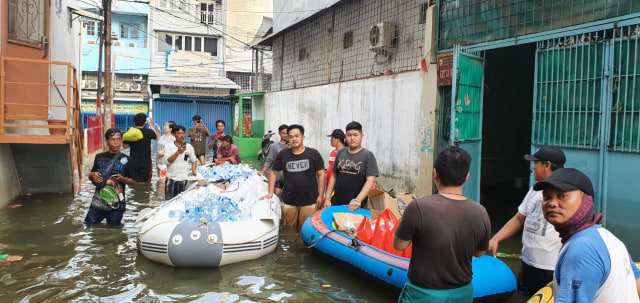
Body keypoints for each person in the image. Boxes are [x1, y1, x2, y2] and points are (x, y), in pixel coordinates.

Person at [393, 147, 491, 303]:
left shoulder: (418, 207)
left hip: (424, 296)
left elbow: (399, 245)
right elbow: (479, 253)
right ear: (467, 177)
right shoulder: (481, 213)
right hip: (462, 295)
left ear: (435, 174)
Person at [533, 168, 640, 302]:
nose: (552, 203)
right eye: (547, 197)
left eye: (562, 196)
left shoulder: (581, 249)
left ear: (586, 200)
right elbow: (637, 283)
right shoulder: (607, 237)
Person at [488, 146, 565, 296]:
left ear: (547, 165)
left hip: (551, 268)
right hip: (528, 263)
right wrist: (496, 238)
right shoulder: (534, 190)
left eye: (535, 162)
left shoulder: (565, 193)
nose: (532, 167)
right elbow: (519, 218)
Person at [261, 124, 325, 228]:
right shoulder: (283, 154)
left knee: (307, 229)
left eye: (297, 136)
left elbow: (322, 174)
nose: (294, 139)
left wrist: (321, 195)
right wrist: (270, 192)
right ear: (288, 138)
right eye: (291, 137)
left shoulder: (313, 154)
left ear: (303, 137)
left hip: (310, 202)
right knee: (288, 230)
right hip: (289, 201)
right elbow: (273, 173)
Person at [85, 128, 135, 227]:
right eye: (113, 139)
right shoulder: (99, 157)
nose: (116, 142)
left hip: (117, 205)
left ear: (121, 140)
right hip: (98, 203)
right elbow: (92, 175)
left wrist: (122, 179)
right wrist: (92, 175)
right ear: (107, 141)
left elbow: (133, 182)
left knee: (114, 231)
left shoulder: (127, 159)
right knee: (88, 226)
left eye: (118, 139)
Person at [323, 121, 378, 211]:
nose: (352, 138)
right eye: (349, 135)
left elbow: (370, 180)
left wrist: (357, 201)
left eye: (355, 135)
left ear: (362, 136)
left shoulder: (367, 155)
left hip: (357, 207)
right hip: (336, 204)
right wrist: (327, 198)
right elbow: (334, 176)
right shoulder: (340, 153)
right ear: (345, 137)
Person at [164, 125, 197, 200]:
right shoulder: (168, 146)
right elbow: (167, 162)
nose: (181, 135)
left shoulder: (189, 147)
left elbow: (194, 160)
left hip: (183, 178)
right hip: (171, 177)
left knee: (182, 201)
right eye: (179, 133)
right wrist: (178, 152)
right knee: (168, 201)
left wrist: (193, 170)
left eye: (183, 133)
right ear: (174, 134)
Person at [123, 113, 158, 182]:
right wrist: (150, 124)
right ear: (145, 122)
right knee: (146, 183)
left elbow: (125, 146)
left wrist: (133, 143)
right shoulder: (149, 132)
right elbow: (156, 136)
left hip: (133, 162)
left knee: (134, 182)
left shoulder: (131, 134)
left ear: (134, 122)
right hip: (146, 162)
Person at [259, 124, 288, 196]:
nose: (285, 135)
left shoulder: (293, 145)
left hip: (290, 175)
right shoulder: (274, 146)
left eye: (287, 133)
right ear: (279, 133)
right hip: (279, 175)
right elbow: (269, 159)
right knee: (277, 192)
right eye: (283, 133)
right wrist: (263, 171)